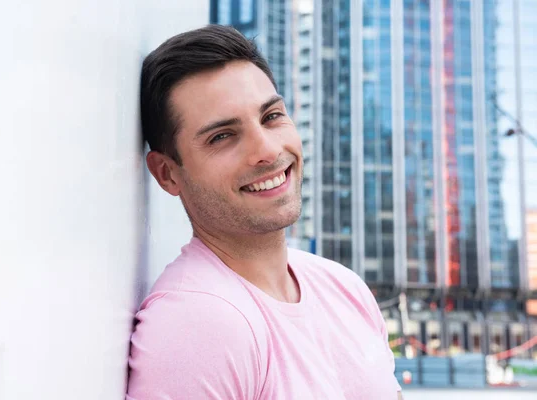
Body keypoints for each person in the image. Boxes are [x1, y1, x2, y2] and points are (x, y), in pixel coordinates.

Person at [127, 25, 403, 400]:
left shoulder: (342, 287)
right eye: (222, 136)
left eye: (271, 116)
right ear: (167, 173)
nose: (268, 150)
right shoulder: (197, 323)